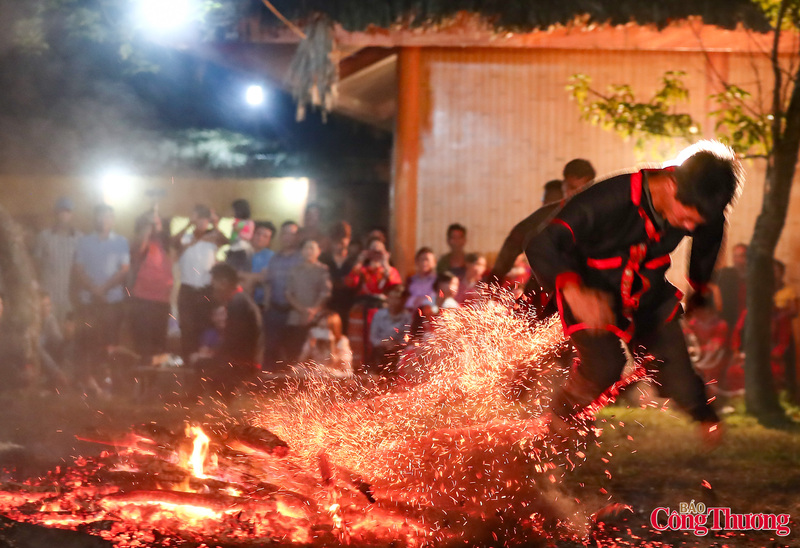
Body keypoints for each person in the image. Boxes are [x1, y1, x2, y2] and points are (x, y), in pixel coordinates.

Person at [526, 140, 743, 449]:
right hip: (591, 289)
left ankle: (706, 419)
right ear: (671, 185)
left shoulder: (704, 210)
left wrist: (699, 289)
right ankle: (557, 423)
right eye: (687, 218)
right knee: (604, 365)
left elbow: (707, 245)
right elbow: (542, 243)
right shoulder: (611, 197)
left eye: (698, 222)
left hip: (647, 291)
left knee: (676, 371)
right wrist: (574, 291)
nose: (690, 227)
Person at [491, 159, 597, 292]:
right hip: (546, 288)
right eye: (572, 188)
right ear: (563, 186)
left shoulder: (598, 217)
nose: (576, 194)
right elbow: (514, 242)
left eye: (583, 189)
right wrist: (492, 283)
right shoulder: (547, 215)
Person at [71, 204, 130, 395]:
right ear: (95, 219)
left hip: (112, 301)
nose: (104, 220)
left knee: (110, 343)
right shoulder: (83, 241)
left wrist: (103, 289)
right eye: (100, 216)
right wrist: (95, 290)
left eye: (108, 216)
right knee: (88, 343)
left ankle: (109, 382)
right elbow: (79, 269)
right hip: (89, 302)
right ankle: (89, 383)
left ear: (113, 220)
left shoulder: (121, 242)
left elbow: (124, 269)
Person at [195, 263, 263, 399]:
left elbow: (233, 341)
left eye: (214, 283)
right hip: (243, 360)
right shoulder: (240, 300)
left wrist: (211, 355)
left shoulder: (238, 303)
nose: (213, 288)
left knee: (201, 364)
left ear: (224, 283)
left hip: (242, 364)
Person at [173, 204, 227, 358]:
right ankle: (188, 362)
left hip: (206, 290)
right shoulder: (186, 238)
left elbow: (226, 240)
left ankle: (203, 363)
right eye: (198, 218)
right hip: (187, 290)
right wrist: (188, 224)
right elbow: (173, 242)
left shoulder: (212, 239)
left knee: (205, 326)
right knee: (186, 328)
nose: (201, 222)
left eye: (204, 218)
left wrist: (215, 224)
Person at [345, 237, 403, 367]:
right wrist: (360, 261)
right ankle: (357, 369)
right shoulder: (362, 270)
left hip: (381, 311)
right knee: (358, 343)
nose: (376, 254)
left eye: (379, 251)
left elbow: (396, 287)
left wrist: (385, 263)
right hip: (360, 311)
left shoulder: (389, 271)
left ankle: (376, 368)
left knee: (377, 341)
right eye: (373, 251)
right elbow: (350, 282)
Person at [129, 208, 174, 361]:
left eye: (158, 221)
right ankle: (142, 374)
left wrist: (159, 228)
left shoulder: (165, 244)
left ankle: (155, 374)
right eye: (153, 221)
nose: (156, 224)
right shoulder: (139, 241)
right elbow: (139, 249)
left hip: (162, 301)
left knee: (159, 345)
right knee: (143, 345)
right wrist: (148, 227)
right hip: (143, 301)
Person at [34, 197, 81, 322]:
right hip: (49, 295)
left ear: (72, 214)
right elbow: (36, 264)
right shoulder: (44, 237)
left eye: (67, 211)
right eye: (61, 211)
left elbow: (81, 268)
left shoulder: (79, 238)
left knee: (68, 328)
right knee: (49, 326)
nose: (64, 214)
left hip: (69, 295)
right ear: (56, 213)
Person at [263, 220, 302, 368]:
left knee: (292, 353)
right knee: (271, 351)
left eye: (292, 234)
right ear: (281, 236)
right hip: (274, 311)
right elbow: (269, 284)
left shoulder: (301, 259)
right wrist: (267, 307)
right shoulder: (274, 258)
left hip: (294, 312)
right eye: (285, 233)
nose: (288, 237)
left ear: (297, 237)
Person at [285, 239, 332, 361]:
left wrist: (313, 311)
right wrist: (302, 310)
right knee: (294, 351)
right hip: (297, 316)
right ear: (302, 251)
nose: (309, 251)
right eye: (306, 248)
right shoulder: (295, 270)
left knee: (315, 353)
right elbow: (288, 293)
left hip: (316, 318)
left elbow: (325, 293)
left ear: (318, 251)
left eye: (312, 248)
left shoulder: (323, 270)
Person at [319, 221, 358, 331]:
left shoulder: (354, 260)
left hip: (350, 306)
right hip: (328, 306)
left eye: (342, 241)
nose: (338, 245)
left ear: (349, 239)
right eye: (335, 242)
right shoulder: (324, 259)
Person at [369, 284, 412, 370]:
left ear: (402, 300)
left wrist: (395, 344)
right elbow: (373, 337)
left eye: (397, 298)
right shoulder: (379, 315)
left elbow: (407, 338)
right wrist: (384, 343)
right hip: (380, 349)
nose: (394, 301)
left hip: (398, 350)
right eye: (391, 298)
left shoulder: (407, 317)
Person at [298, 311, 353, 377]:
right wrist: (310, 345)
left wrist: (331, 344)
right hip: (315, 375)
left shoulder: (342, 341)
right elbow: (301, 361)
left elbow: (347, 369)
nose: (322, 332)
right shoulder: (314, 340)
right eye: (320, 327)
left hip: (335, 376)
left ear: (334, 328)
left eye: (325, 328)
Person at [241, 221, 276, 308]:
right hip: (237, 299)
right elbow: (233, 273)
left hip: (259, 303)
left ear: (269, 240)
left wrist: (244, 275)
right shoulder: (241, 252)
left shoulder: (272, 257)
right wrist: (254, 276)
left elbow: (264, 277)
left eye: (265, 236)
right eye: (258, 234)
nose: (260, 238)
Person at [715, 243, 748, 335]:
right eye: (735, 256)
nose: (738, 260)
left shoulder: (753, 277)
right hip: (728, 318)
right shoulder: (725, 275)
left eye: (742, 256)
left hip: (747, 320)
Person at [405, 247, 438, 311]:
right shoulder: (410, 280)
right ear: (417, 262)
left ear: (434, 262)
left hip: (429, 313)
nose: (424, 262)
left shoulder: (438, 281)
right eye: (422, 260)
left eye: (427, 260)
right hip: (410, 312)